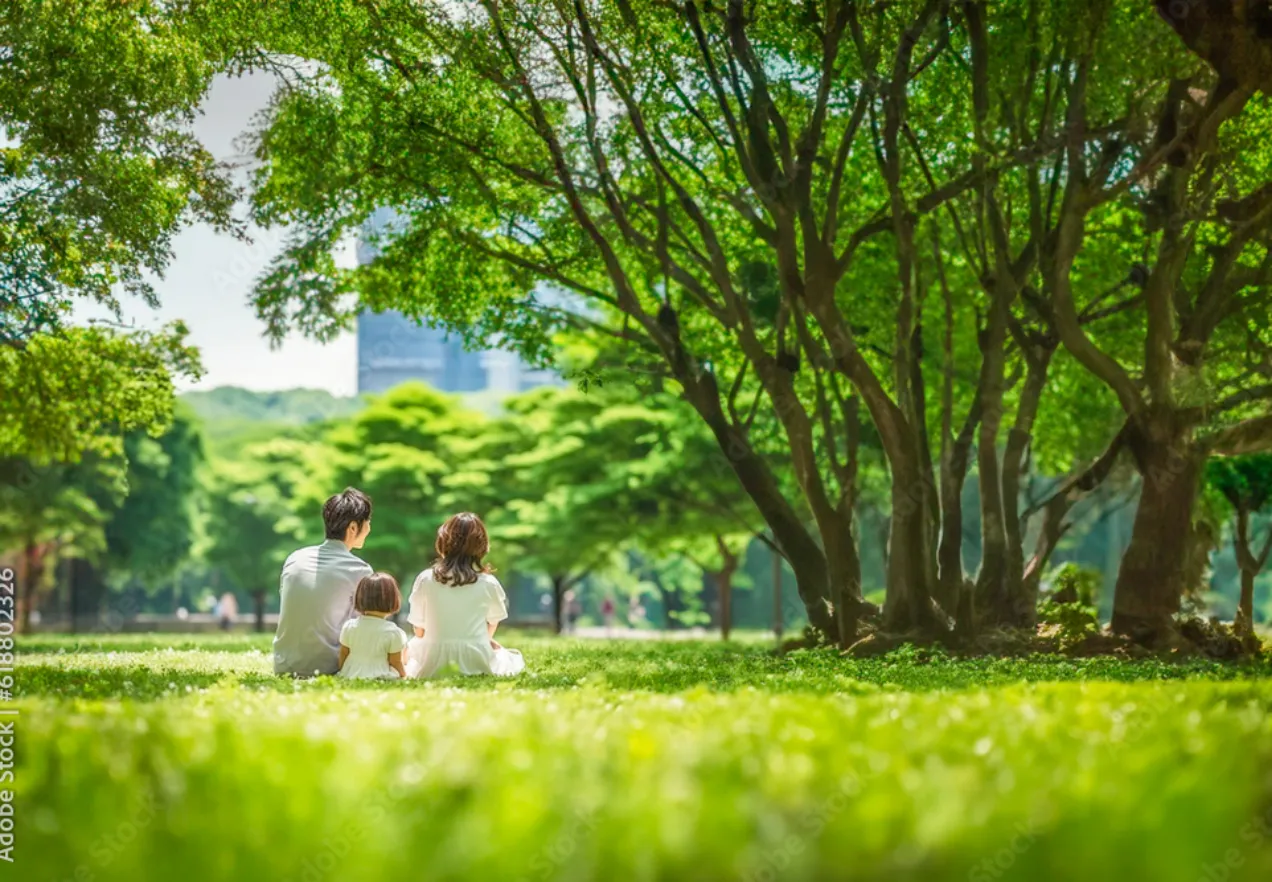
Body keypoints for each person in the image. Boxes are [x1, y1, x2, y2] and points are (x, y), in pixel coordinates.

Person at [403, 512, 524, 678]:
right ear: (482, 546)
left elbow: (419, 631)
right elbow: (493, 622)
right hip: (475, 656)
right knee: (506, 656)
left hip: (434, 659)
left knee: (412, 647)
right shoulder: (488, 583)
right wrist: (480, 640)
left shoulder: (425, 579)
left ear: (443, 542)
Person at [273, 488, 374, 677]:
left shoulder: (295, 558)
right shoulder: (360, 570)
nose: (369, 528)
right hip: (329, 668)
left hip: (283, 665)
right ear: (353, 528)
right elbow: (364, 628)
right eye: (367, 522)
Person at [338, 573, 408, 680]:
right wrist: (404, 675)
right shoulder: (392, 632)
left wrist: (344, 671)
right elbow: (395, 662)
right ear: (393, 599)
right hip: (380, 673)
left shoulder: (349, 626)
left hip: (351, 673)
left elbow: (343, 654)